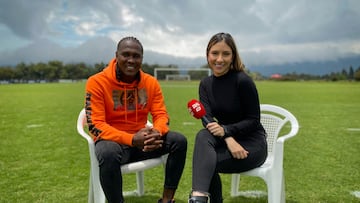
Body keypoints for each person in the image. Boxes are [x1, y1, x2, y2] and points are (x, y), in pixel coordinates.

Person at [85, 36, 187, 203]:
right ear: (116, 55)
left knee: (179, 141)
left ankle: (167, 199)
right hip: (115, 144)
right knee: (107, 152)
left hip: (144, 143)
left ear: (142, 58)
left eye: (136, 56)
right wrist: (132, 139)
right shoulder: (96, 82)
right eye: (126, 55)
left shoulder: (150, 82)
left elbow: (161, 115)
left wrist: (155, 132)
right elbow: (96, 125)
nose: (131, 60)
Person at [188, 32, 267, 203]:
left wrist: (226, 130)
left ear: (233, 56)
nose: (219, 59)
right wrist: (228, 137)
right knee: (203, 135)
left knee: (205, 164)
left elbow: (254, 120)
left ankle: (199, 198)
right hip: (225, 141)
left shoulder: (243, 81)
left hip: (251, 144)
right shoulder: (205, 84)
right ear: (207, 55)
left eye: (226, 54)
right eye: (215, 53)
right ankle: (199, 198)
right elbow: (206, 118)